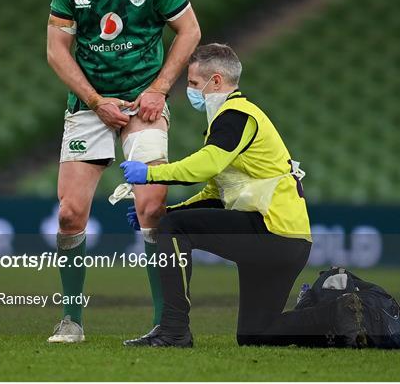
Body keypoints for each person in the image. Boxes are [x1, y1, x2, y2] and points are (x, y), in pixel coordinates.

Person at [46, 0, 201, 343]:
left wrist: (158, 89)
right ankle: (71, 320)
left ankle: (164, 324)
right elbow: (56, 49)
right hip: (92, 105)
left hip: (143, 103)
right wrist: (96, 101)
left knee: (152, 206)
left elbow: (189, 30)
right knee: (70, 214)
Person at [120, 43, 312, 347]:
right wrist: (169, 212)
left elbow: (205, 164)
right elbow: (215, 193)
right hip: (288, 240)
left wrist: (152, 174)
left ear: (217, 81)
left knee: (173, 230)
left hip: (271, 231)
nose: (191, 91)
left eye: (194, 84)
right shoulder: (234, 118)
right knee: (256, 335)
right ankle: (342, 316)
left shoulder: (235, 115)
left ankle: (173, 330)